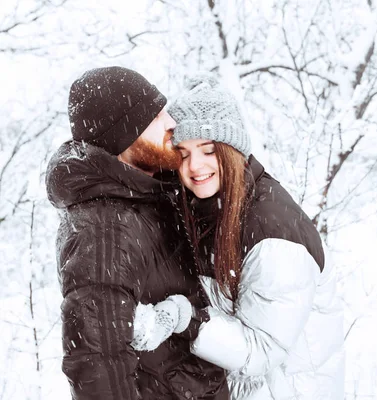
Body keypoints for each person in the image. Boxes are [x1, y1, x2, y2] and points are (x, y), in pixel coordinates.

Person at [132, 74, 345, 399]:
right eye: (184, 154)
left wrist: (186, 318)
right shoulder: (208, 206)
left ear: (232, 151)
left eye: (208, 150)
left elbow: (261, 350)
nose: (195, 166)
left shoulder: (272, 233)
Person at [46, 66, 229, 400]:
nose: (171, 122)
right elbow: (97, 365)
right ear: (124, 136)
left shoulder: (148, 194)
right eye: (155, 116)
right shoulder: (104, 230)